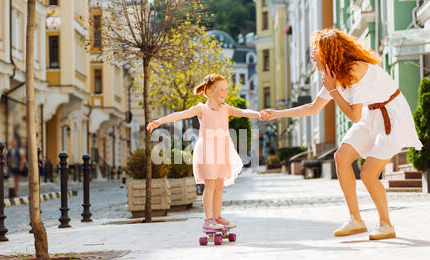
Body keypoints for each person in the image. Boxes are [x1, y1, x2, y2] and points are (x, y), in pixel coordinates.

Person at [261, 29, 423, 240]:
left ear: (329, 53)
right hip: (370, 115)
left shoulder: (354, 69)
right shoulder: (333, 73)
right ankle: (356, 220)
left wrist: (334, 90)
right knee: (341, 157)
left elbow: (354, 116)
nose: (312, 55)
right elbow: (312, 108)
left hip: (390, 116)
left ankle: (386, 224)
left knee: (368, 173)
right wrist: (277, 114)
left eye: (316, 51)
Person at [147, 74, 261, 230]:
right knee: (210, 184)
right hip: (207, 149)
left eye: (226, 89)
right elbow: (180, 115)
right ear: (209, 92)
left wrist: (258, 114)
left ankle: (217, 216)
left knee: (219, 184)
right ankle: (208, 219)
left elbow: (243, 112)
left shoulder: (226, 109)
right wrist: (159, 121)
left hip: (223, 148)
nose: (225, 92)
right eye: (221, 89)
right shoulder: (201, 109)